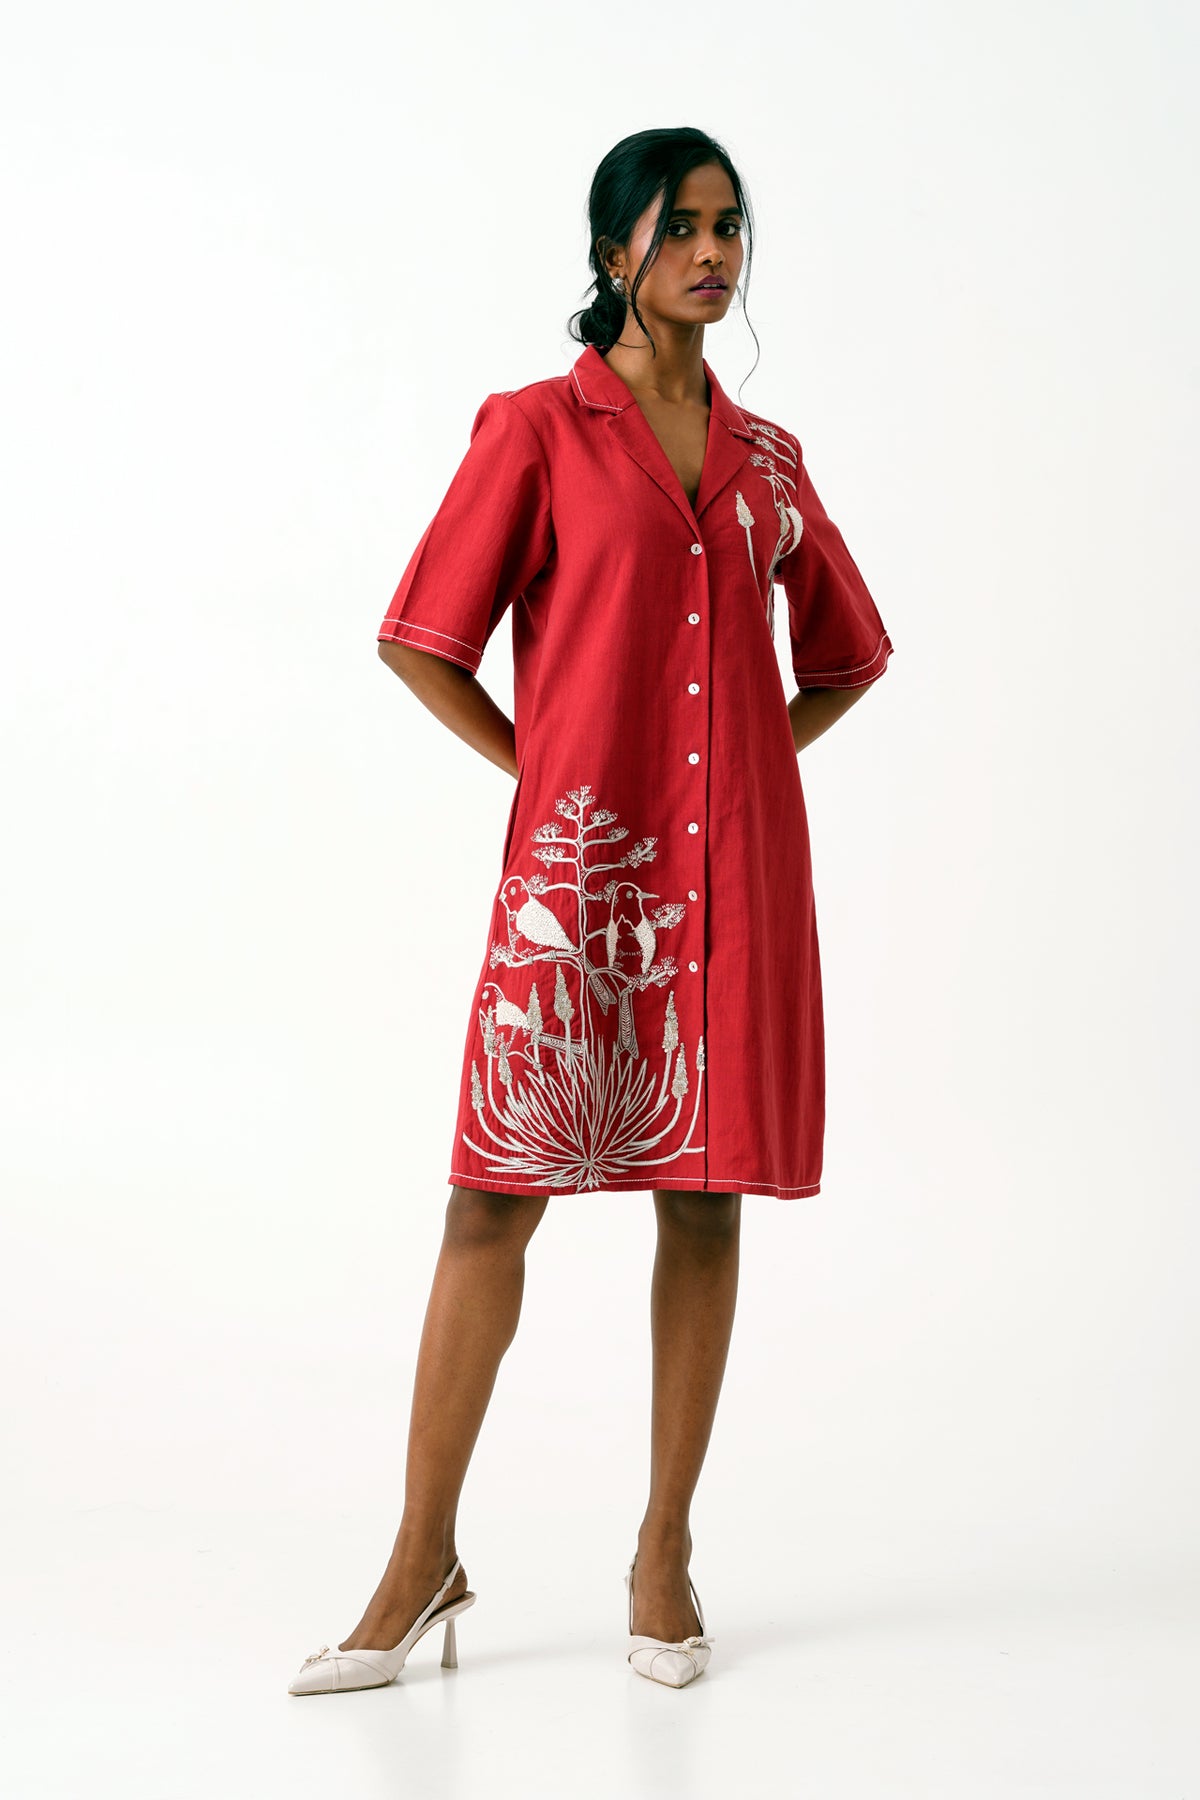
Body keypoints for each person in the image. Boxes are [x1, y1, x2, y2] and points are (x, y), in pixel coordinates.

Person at [288, 126, 894, 1697]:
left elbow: (846, 654)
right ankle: (420, 1561)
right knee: (492, 1201)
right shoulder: (539, 430)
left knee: (706, 1199)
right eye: (678, 226)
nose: (711, 252)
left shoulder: (768, 462)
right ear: (614, 247)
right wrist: (547, 766)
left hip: (734, 882)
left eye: (729, 227)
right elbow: (421, 640)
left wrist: (744, 765)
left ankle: (663, 1557)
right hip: (583, 884)